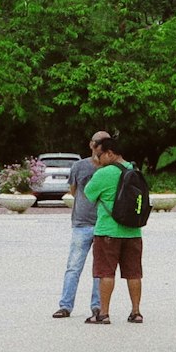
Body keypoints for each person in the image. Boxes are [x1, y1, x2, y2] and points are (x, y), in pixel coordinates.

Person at [82, 133, 143, 325]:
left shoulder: (103, 173)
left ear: (109, 153)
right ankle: (136, 312)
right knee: (134, 273)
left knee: (106, 273)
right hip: (133, 231)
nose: (97, 159)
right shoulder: (134, 170)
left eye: (99, 155)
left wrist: (99, 171)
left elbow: (88, 194)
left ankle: (104, 313)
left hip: (107, 231)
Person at [53, 130, 109, 321]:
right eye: (98, 142)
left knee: (100, 270)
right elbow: (74, 190)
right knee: (73, 266)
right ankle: (65, 305)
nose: (100, 146)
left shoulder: (110, 169)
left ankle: (97, 306)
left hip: (103, 223)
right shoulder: (79, 166)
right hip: (81, 222)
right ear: (91, 144)